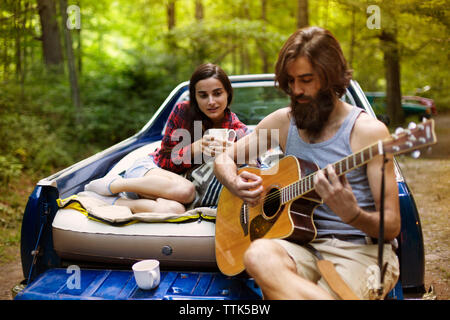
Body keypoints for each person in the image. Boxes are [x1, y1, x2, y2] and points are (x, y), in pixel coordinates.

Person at [213, 26, 400, 300]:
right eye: (290, 81)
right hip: (300, 246)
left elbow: (392, 225)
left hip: (360, 251)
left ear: (330, 76)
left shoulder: (369, 133)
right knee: (258, 254)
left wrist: (353, 215)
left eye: (306, 80)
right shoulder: (282, 122)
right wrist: (234, 182)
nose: (296, 90)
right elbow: (224, 157)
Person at [85, 63, 248, 214]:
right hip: (148, 173)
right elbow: (163, 160)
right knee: (186, 190)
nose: (211, 102)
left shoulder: (238, 131)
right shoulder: (182, 112)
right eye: (203, 95)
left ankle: (112, 202)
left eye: (217, 93)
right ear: (195, 97)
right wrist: (194, 148)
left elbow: (256, 165)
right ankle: (113, 185)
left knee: (174, 210)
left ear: (228, 93)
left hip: (173, 195)